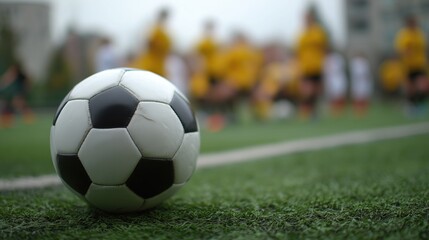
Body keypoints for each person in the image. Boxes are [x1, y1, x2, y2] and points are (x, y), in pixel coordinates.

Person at [296, 9, 328, 119]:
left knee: (317, 90)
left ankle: (315, 111)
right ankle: (308, 111)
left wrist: (325, 63)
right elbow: (298, 52)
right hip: (306, 67)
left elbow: (324, 48)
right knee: (307, 91)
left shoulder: (319, 32)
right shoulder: (301, 35)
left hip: (317, 66)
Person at [395, 15, 428, 115]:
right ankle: (411, 106)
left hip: (419, 64)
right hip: (408, 66)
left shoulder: (419, 34)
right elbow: (401, 50)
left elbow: (424, 48)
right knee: (410, 88)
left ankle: (419, 104)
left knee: (423, 85)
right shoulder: (403, 35)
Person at [130, 8, 171, 77]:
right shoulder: (156, 30)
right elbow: (147, 43)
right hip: (150, 66)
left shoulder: (161, 31)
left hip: (158, 66)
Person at [0, 61, 34, 127]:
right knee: (19, 105)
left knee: (19, 105)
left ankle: (30, 118)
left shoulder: (20, 74)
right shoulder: (17, 74)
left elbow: (28, 81)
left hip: (19, 92)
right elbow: (7, 79)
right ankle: (29, 118)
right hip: (17, 92)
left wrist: (26, 88)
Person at [324, 48, 347, 116]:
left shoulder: (337, 57)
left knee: (339, 94)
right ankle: (334, 110)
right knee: (332, 95)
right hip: (330, 78)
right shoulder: (326, 59)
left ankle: (340, 110)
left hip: (338, 77)